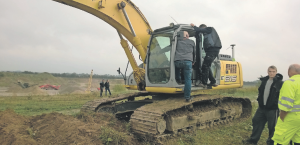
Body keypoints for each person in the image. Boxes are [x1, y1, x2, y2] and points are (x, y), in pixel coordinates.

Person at [243, 65, 283, 145]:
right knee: (256, 121)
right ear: (267, 72)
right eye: (270, 71)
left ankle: (271, 142)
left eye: (273, 72)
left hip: (272, 109)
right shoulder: (264, 81)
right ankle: (253, 140)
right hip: (262, 108)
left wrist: (276, 104)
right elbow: (261, 92)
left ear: (276, 72)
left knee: (272, 127)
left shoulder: (280, 83)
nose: (271, 73)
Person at [272, 64, 300, 145]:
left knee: (280, 139)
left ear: (289, 71)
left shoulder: (289, 83)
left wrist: (282, 116)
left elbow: (286, 104)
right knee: (297, 140)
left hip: (290, 117)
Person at [190, 23, 222, 88]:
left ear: (203, 28)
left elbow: (198, 29)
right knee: (206, 65)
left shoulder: (210, 29)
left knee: (205, 66)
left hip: (213, 50)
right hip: (211, 51)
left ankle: (203, 83)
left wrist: (194, 26)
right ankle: (213, 81)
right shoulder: (207, 34)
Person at [174, 31, 195, 102]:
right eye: (188, 34)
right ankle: (187, 97)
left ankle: (178, 79)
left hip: (177, 61)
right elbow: (194, 53)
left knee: (176, 68)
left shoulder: (177, 42)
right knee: (188, 80)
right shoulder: (192, 42)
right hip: (188, 61)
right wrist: (193, 61)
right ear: (186, 35)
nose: (188, 35)